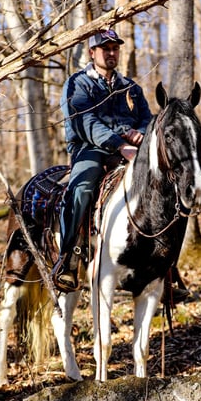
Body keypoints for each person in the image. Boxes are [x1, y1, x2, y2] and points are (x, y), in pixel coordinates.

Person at [52, 29, 151, 292]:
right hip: (90, 148)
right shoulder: (77, 84)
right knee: (82, 188)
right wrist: (120, 144)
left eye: (115, 48)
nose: (111, 53)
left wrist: (140, 133)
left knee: (161, 182)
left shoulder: (130, 87)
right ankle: (68, 259)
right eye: (105, 48)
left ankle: (164, 265)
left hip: (131, 147)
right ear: (92, 52)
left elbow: (147, 118)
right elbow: (86, 122)